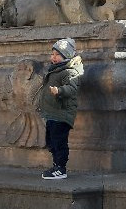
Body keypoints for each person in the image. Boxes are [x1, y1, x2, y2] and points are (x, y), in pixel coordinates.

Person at [37, 37, 84, 179]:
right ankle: (56, 165)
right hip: (53, 113)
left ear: (66, 56)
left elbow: (72, 88)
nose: (53, 57)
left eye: (57, 54)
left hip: (62, 114)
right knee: (52, 141)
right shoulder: (57, 69)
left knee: (59, 141)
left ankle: (61, 168)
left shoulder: (69, 71)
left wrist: (59, 91)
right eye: (52, 54)